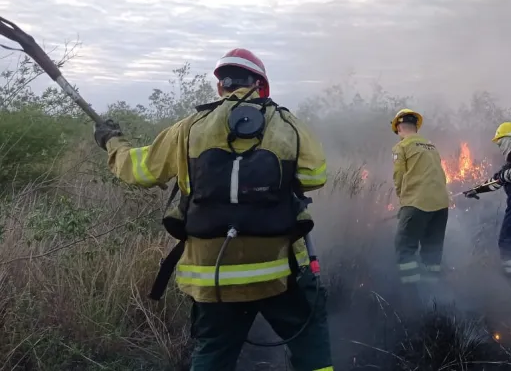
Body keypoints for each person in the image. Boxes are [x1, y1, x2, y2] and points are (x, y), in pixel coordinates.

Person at [93, 48, 334, 371]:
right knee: (310, 345)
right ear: (260, 85)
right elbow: (315, 176)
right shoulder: (287, 124)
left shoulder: (190, 127)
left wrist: (113, 142)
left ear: (221, 86)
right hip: (280, 270)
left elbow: (141, 171)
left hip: (213, 277)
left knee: (213, 354)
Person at [464, 122, 511, 276]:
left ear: (508, 140)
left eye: (500, 142)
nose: (499, 147)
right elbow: (496, 182)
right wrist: (477, 190)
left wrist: (503, 175)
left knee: (506, 241)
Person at [390, 108, 451, 285]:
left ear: (399, 128)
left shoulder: (401, 146)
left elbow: (398, 176)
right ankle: (434, 293)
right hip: (441, 206)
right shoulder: (431, 146)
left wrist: (403, 204)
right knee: (432, 250)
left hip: (417, 204)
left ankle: (412, 293)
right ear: (416, 127)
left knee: (404, 247)